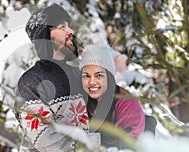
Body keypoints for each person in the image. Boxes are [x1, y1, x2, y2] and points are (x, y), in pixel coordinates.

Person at [16, 4, 89, 151]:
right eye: (62, 27)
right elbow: (46, 142)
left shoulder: (80, 75)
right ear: (45, 35)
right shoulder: (30, 82)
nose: (71, 31)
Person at [80, 45, 145, 148]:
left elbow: (128, 144)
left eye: (99, 75)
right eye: (86, 76)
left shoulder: (127, 102)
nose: (92, 82)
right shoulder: (79, 100)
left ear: (109, 77)